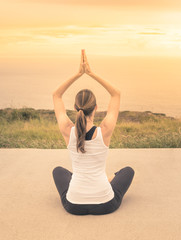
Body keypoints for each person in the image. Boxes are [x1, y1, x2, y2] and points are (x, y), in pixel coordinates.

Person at [51, 49, 134, 215]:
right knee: (127, 171)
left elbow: (56, 95)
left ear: (75, 108)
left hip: (74, 206)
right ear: (96, 108)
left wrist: (78, 74)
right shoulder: (105, 131)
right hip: (106, 205)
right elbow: (116, 93)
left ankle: (84, 180)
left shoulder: (68, 130)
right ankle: (106, 179)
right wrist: (90, 73)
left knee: (58, 171)